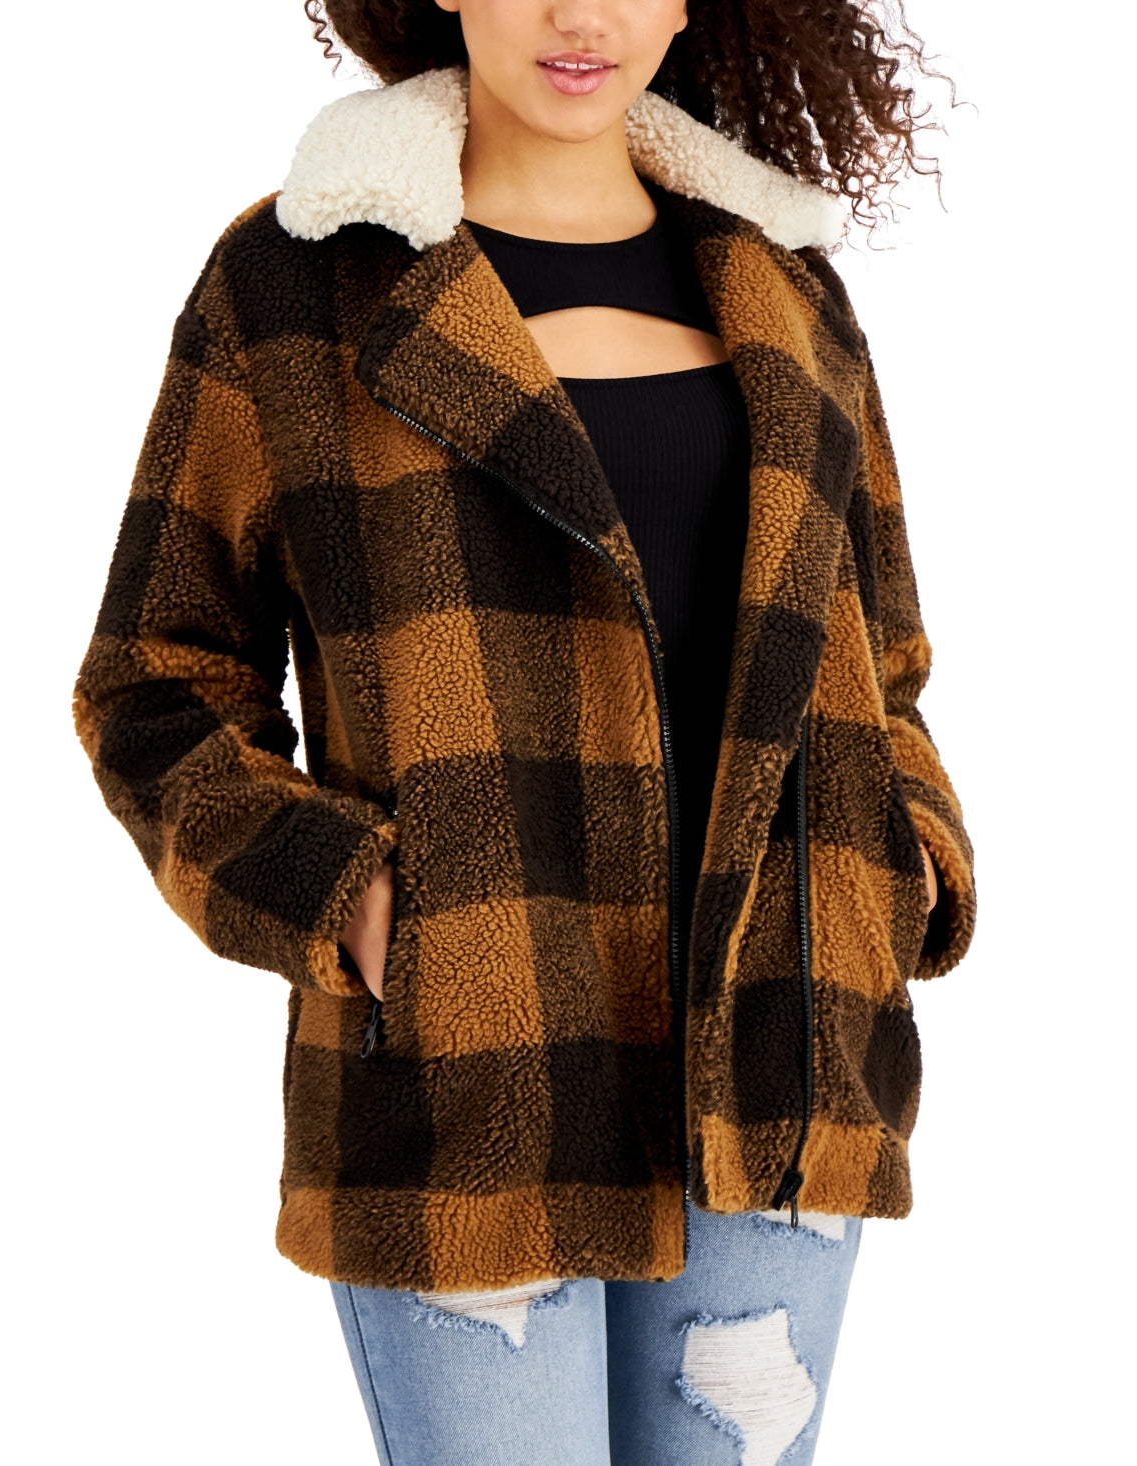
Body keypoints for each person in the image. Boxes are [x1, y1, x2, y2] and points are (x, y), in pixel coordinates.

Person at [73, 1, 977, 1460]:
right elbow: (154, 681)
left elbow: (884, 657)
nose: (582, 14)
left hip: (778, 1067)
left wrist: (904, 865)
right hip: (475, 1084)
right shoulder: (303, 279)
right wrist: (355, 901)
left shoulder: (785, 284)